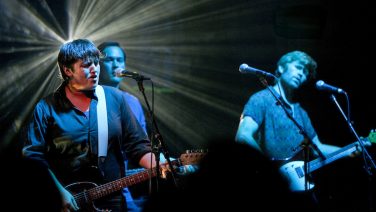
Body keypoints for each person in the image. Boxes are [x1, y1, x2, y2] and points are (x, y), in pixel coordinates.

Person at [23, 39, 158, 212]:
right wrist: (59, 192)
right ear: (67, 70)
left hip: (113, 201)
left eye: (96, 63)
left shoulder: (115, 98)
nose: (95, 69)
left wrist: (162, 165)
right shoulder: (46, 108)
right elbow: (33, 157)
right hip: (67, 202)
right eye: (87, 65)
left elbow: (138, 145)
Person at [235, 50, 342, 207]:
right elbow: (243, 136)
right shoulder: (261, 99)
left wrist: (352, 148)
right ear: (281, 68)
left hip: (298, 189)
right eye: (298, 67)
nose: (302, 74)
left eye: (305, 73)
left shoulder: (301, 112)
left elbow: (317, 147)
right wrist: (272, 171)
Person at [97, 41, 148, 212]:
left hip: (125, 190)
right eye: (109, 59)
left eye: (120, 60)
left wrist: (164, 163)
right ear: (97, 64)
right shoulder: (89, 101)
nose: (116, 64)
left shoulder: (133, 102)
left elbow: (141, 147)